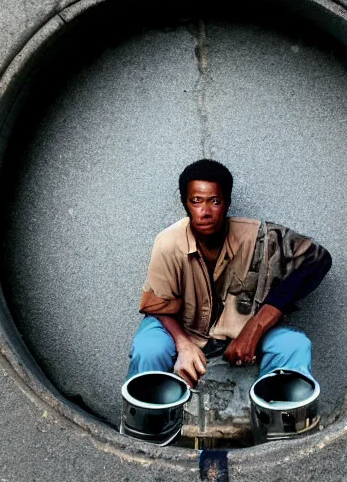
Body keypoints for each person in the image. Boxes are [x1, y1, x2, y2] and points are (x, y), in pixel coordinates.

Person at [126, 159, 332, 389]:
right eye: (196, 201)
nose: (205, 212)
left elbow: (318, 258)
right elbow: (157, 307)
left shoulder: (258, 237)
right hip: (181, 329)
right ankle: (144, 422)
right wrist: (183, 344)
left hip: (239, 331)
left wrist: (256, 326)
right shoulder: (168, 242)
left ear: (227, 203)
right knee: (149, 347)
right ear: (186, 203)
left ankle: (277, 419)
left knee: (294, 345)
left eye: (214, 201)